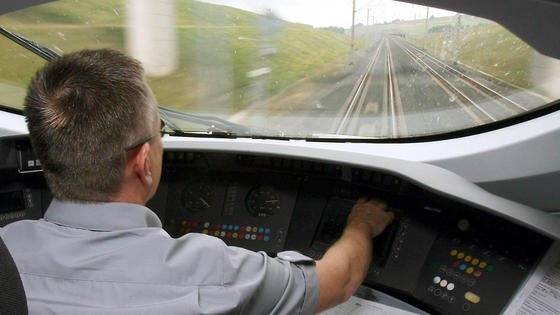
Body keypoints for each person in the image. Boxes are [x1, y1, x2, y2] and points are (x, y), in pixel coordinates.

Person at [0, 49, 394, 314]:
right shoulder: (212, 271)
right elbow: (338, 282)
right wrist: (362, 224)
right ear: (143, 163)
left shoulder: (7, 250)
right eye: (160, 130)